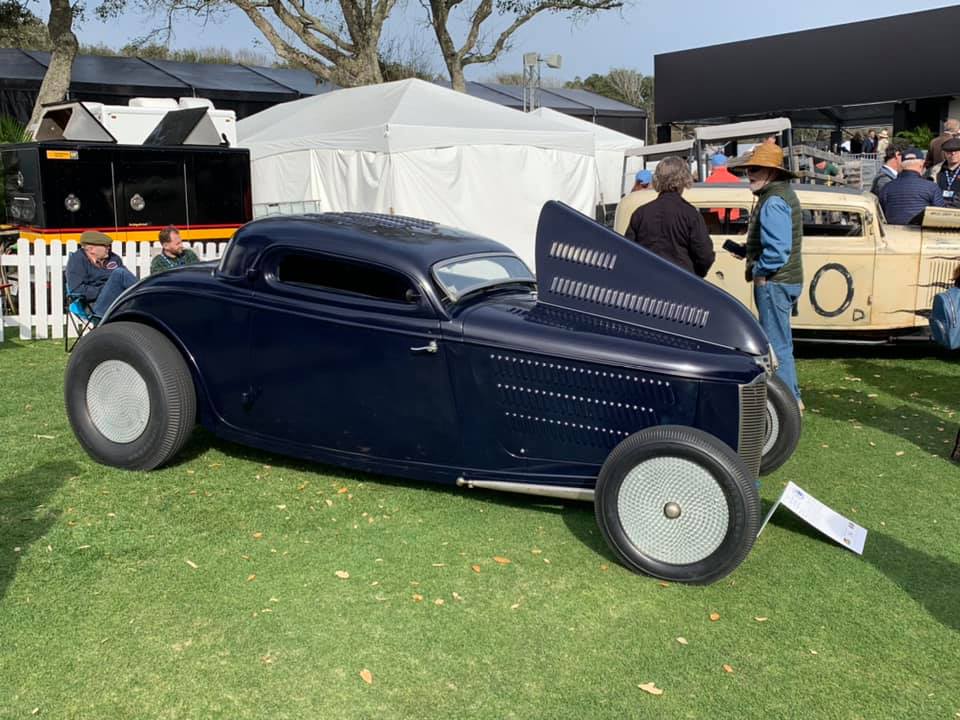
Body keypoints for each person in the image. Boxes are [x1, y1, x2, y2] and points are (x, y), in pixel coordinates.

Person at [735, 143, 804, 406]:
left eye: (755, 169)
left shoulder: (773, 200)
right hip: (782, 280)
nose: (749, 174)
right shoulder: (779, 194)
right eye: (749, 169)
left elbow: (777, 252)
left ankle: (785, 406)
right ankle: (792, 398)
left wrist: (759, 270)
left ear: (772, 173)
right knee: (781, 343)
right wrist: (748, 253)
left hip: (775, 282)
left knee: (776, 347)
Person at [624, 156, 715, 278]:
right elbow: (705, 255)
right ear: (683, 180)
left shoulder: (641, 213)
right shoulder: (690, 215)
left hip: (647, 282)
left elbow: (627, 251)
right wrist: (694, 274)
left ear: (657, 179)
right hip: (681, 282)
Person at [65, 230, 138, 317]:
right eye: (105, 246)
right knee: (119, 273)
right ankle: (147, 296)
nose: (108, 248)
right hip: (94, 306)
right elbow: (77, 289)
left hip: (119, 301)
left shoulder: (114, 258)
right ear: (91, 249)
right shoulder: (77, 261)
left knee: (121, 274)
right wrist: (105, 289)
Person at [879, 147, 945, 224]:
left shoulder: (887, 187)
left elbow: (881, 213)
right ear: (921, 165)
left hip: (893, 233)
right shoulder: (931, 187)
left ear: (902, 165)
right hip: (920, 233)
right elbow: (941, 214)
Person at [706, 153, 743, 222]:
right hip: (733, 217)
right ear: (726, 165)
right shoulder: (736, 180)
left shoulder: (708, 181)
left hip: (715, 218)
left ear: (712, 166)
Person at [934, 137, 960, 208]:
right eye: (949, 151)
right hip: (938, 209)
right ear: (944, 153)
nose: (953, 154)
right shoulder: (935, 170)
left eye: (957, 151)